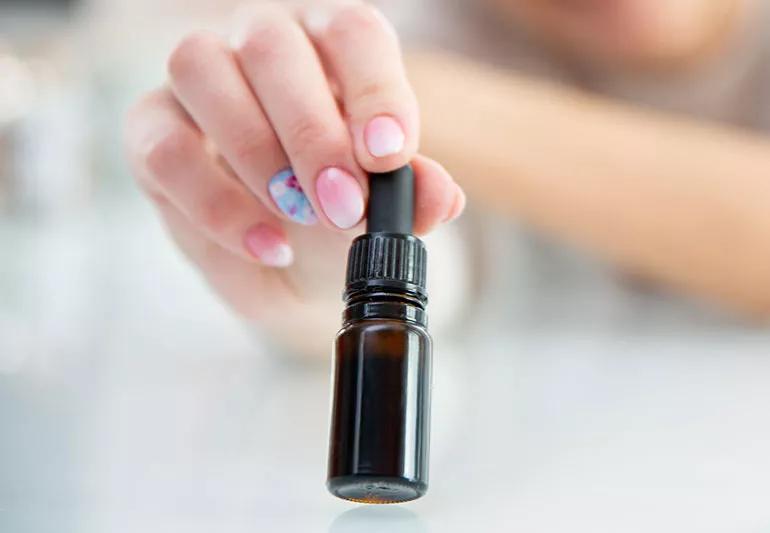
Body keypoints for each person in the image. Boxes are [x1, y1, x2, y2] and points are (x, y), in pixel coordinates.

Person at [125, 0, 770, 357]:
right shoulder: (409, 45)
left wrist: (447, 100)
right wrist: (319, 251)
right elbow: (425, 277)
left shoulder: (422, 77)